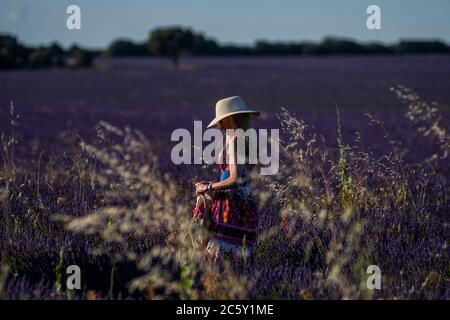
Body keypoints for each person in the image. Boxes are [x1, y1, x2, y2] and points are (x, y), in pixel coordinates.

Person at [192, 96, 260, 265]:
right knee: (240, 258)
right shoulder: (246, 139)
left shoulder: (234, 140)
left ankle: (215, 289)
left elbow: (234, 179)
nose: (219, 125)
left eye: (221, 121)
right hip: (246, 204)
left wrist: (208, 187)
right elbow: (242, 176)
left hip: (231, 205)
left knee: (218, 256)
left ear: (229, 118)